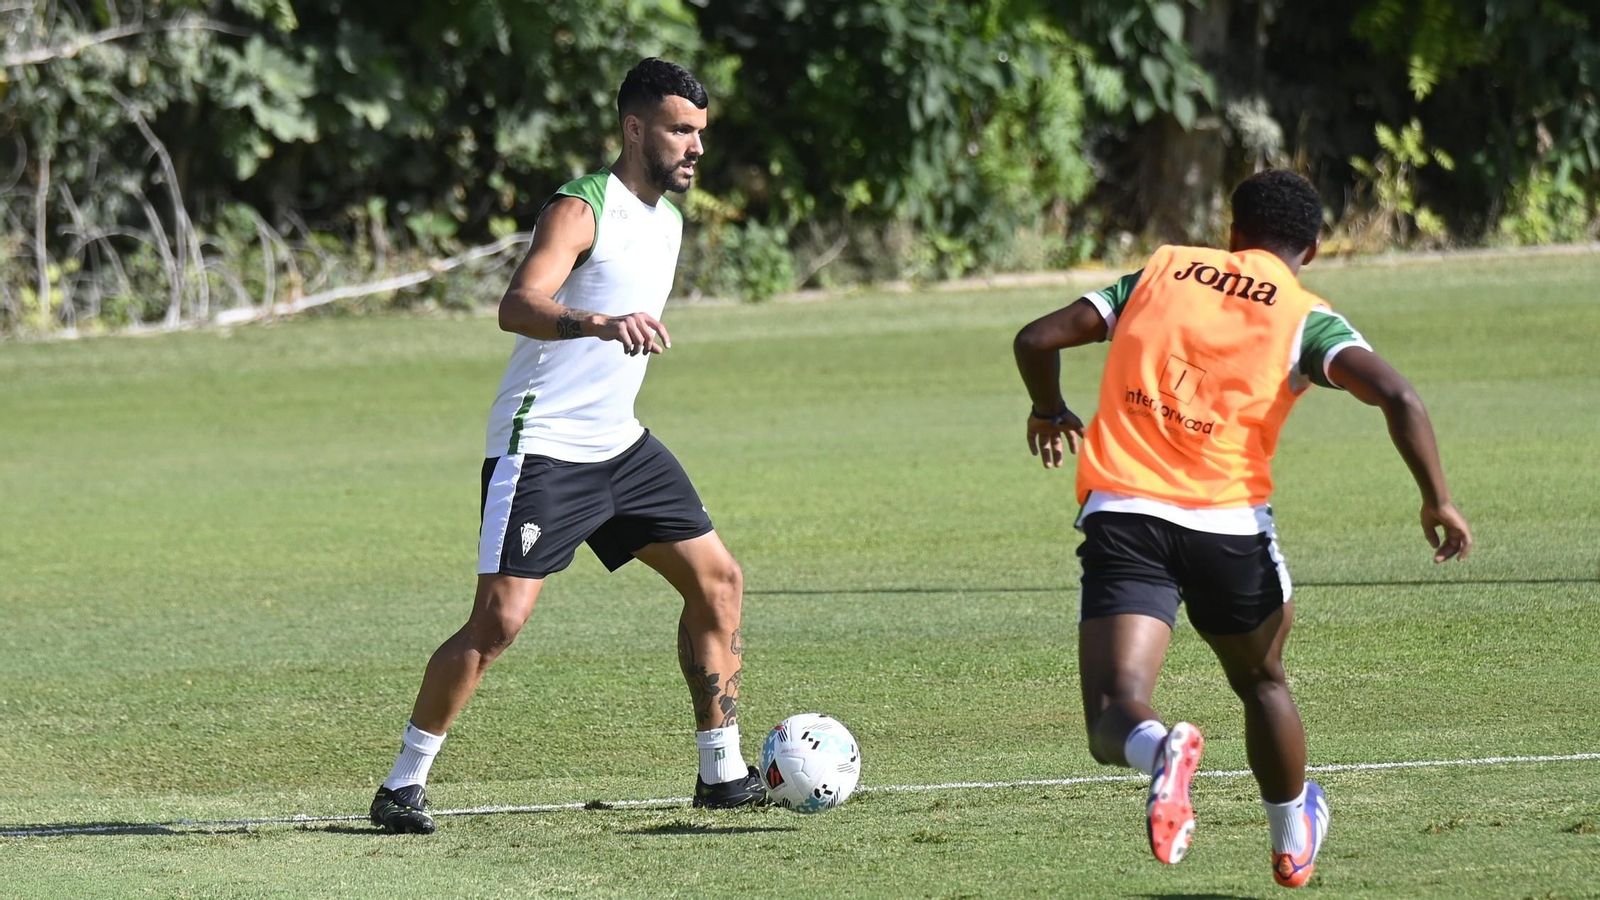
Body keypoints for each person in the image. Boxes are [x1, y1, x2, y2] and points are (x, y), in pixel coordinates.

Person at [1012, 169, 1472, 887]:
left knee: (1114, 709)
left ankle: (1160, 748)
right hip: (1230, 531)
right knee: (1261, 680)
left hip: (1126, 516)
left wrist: (1048, 408)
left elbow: (1037, 338)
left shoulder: (1162, 271)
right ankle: (1292, 842)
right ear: (1314, 249)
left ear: (1231, 232)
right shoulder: (1305, 314)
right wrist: (1436, 499)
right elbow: (1397, 394)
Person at [369, 58, 764, 835]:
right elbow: (517, 304)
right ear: (634, 128)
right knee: (500, 622)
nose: (695, 148)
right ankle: (401, 786)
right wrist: (596, 323)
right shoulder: (584, 207)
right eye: (681, 130)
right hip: (542, 446)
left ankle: (723, 772)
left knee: (718, 583)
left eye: (700, 134)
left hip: (621, 447)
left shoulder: (671, 221)